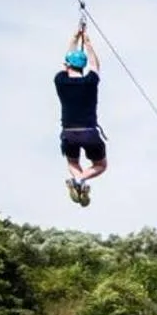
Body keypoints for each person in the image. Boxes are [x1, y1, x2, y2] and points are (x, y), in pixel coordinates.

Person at [56, 22, 106, 206]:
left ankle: (78, 179)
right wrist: (88, 42)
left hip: (69, 133)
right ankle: (81, 180)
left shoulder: (60, 81)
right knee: (101, 165)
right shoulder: (91, 82)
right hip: (89, 132)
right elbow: (95, 65)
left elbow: (66, 60)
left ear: (68, 65)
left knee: (72, 163)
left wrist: (75, 38)